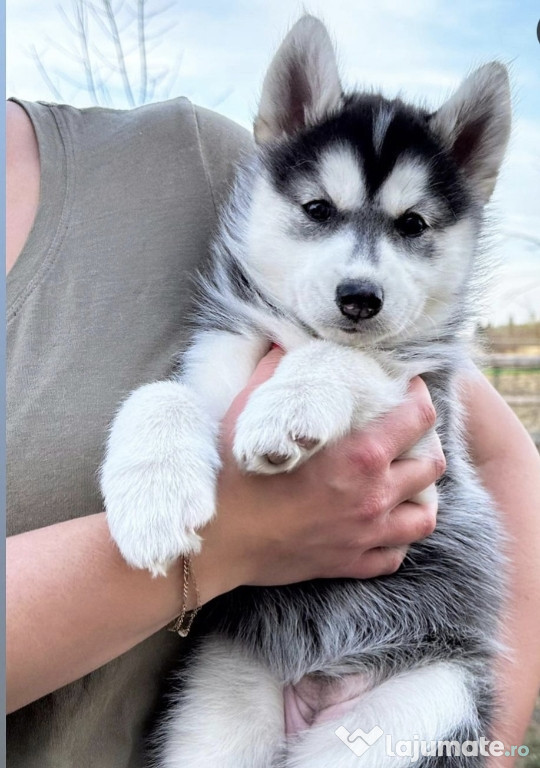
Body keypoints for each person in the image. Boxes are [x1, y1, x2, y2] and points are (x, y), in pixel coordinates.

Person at [6, 96, 540, 768]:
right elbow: (202, 410)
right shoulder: (235, 322)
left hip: (417, 659)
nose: (363, 274)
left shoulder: (185, 152)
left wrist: (488, 747)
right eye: (321, 213)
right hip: (252, 657)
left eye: (410, 226)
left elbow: (443, 425)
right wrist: (161, 428)